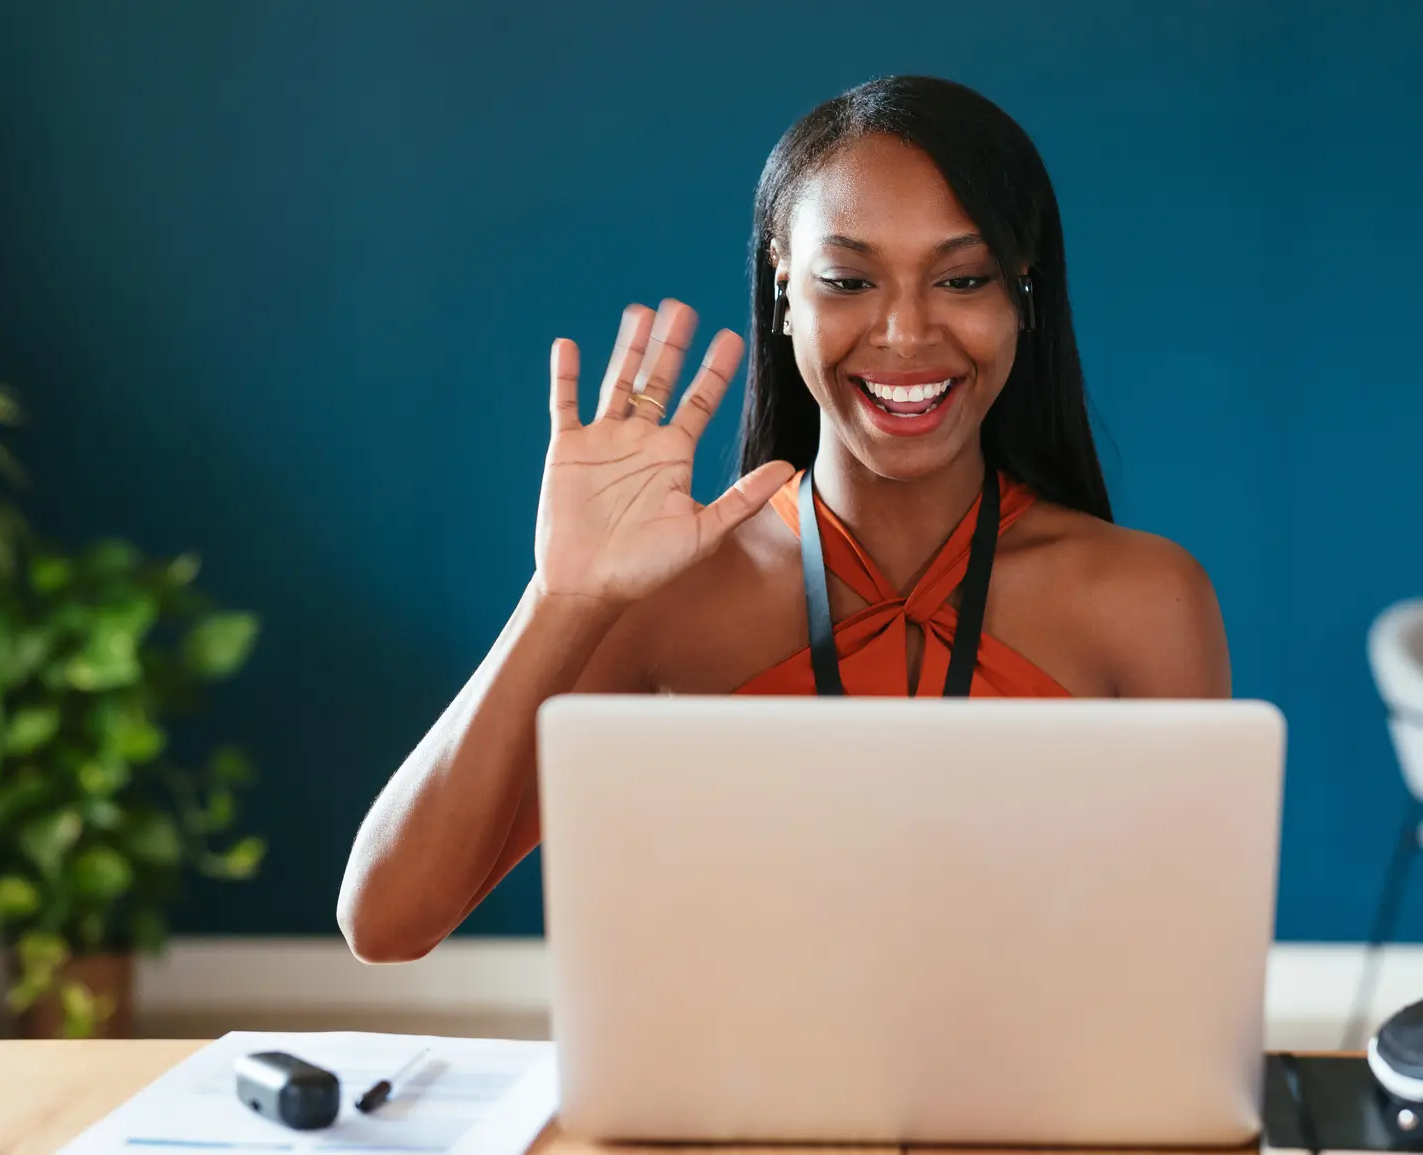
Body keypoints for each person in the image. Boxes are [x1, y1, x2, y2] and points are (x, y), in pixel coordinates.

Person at [337, 76, 1230, 964]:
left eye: (962, 279)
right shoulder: (667, 591)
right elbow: (387, 921)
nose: (905, 332)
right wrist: (562, 598)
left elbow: (1191, 970)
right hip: (721, 1105)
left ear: (1021, 294)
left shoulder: (1145, 598)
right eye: (847, 279)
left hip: (1027, 1102)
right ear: (783, 287)